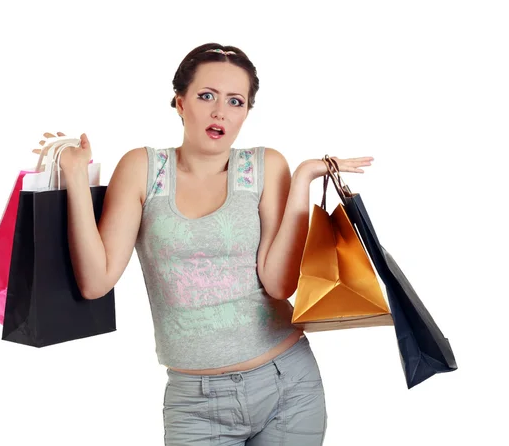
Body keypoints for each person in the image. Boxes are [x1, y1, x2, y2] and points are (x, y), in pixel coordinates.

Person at [52, 43, 373, 445]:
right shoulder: (143, 169)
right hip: (194, 404)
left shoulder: (264, 166)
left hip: (287, 385)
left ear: (245, 113)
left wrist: (304, 177)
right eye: (207, 96)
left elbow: (279, 285)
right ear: (180, 102)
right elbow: (95, 282)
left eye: (235, 101)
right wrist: (76, 178)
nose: (220, 111)